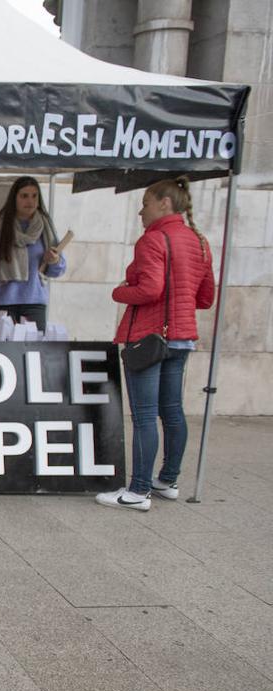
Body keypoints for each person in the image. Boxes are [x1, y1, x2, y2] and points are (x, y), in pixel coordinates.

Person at [96, 176, 215, 511]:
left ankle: (138, 490)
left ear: (165, 203)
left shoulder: (152, 240)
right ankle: (169, 479)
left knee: (145, 415)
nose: (140, 211)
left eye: (145, 203)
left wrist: (119, 291)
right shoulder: (199, 241)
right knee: (172, 411)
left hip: (148, 338)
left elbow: (150, 290)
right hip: (181, 338)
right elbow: (205, 298)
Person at [0, 176, 66, 330]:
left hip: (35, 304)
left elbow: (58, 270)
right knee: (1, 353)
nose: (30, 201)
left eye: (34, 196)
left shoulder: (46, 229)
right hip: (1, 305)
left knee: (32, 353)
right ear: (14, 198)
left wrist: (54, 261)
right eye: (24, 196)